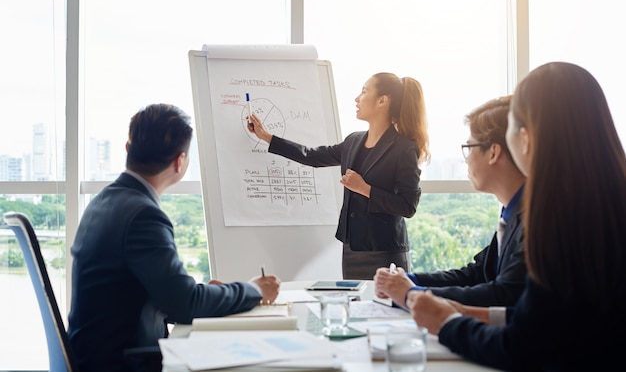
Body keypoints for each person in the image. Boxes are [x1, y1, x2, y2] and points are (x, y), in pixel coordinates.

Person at [407, 62, 626, 371]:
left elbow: (523, 347)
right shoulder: (602, 202)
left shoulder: (559, 219)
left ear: (526, 138)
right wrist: (468, 312)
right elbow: (555, 320)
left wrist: (446, 322)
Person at [67, 104, 281, 372]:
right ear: (180, 162)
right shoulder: (143, 215)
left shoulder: (105, 200)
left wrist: (211, 293)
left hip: (97, 357)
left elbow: (149, 294)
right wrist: (254, 289)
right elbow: (185, 304)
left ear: (127, 148)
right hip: (124, 364)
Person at [248, 72, 429, 280]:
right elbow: (313, 156)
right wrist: (266, 137)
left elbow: (408, 206)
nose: (357, 99)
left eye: (363, 92)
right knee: (355, 310)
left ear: (382, 101)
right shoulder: (353, 141)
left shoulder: (404, 148)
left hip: (385, 252)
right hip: (351, 249)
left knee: (387, 311)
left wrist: (365, 189)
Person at [374, 95, 527, 308]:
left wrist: (412, 294)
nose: (466, 159)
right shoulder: (511, 213)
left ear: (493, 152)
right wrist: (410, 282)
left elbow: (503, 295)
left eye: (469, 147)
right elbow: (477, 274)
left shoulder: (536, 222)